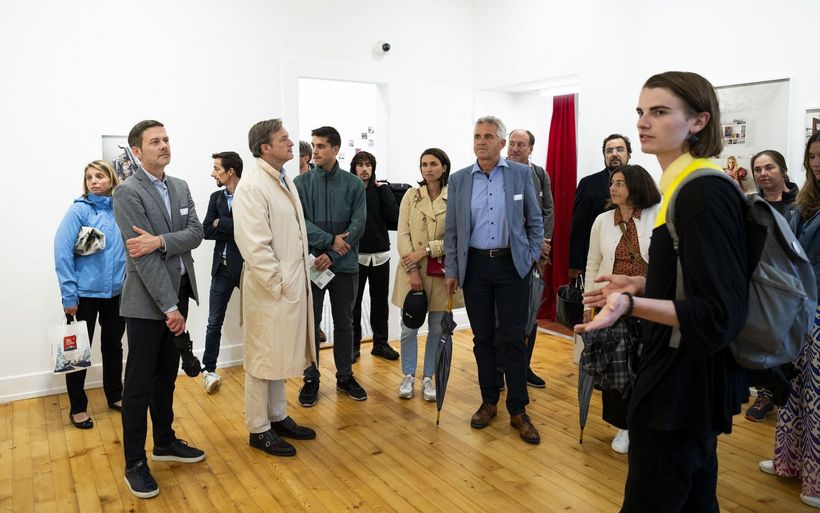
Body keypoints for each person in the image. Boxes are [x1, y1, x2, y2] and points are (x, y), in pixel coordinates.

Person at [577, 71, 749, 512]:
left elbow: (716, 313)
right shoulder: (684, 183)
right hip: (682, 375)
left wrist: (631, 303)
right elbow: (690, 281)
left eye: (659, 112)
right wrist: (637, 283)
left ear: (698, 122)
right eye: (640, 111)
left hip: (682, 381)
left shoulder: (701, 192)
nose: (642, 122)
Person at [113, 120, 206, 499]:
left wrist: (162, 240)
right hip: (148, 303)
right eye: (155, 142)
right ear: (137, 151)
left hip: (180, 292)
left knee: (166, 377)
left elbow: (198, 233)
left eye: (166, 139)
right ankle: (134, 462)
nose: (164, 146)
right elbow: (141, 258)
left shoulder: (180, 186)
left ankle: (164, 441)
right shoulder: (127, 193)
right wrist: (169, 307)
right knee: (137, 386)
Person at [444, 116, 544, 444]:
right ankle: (489, 401)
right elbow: (453, 230)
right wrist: (452, 270)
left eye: (488, 136)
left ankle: (518, 409)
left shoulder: (519, 174)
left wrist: (529, 257)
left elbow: (535, 219)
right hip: (475, 268)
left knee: (513, 338)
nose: (481, 141)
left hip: (511, 266)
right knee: (483, 338)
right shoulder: (459, 180)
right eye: (477, 136)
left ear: (502, 143)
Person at [233, 118, 318, 457]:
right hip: (271, 289)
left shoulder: (282, 178)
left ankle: (278, 416)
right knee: (261, 359)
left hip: (289, 285)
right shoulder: (253, 185)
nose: (291, 142)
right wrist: (279, 284)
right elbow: (254, 245)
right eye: (283, 138)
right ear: (265, 147)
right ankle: (258, 428)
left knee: (279, 355)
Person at [758, 131, 820, 509]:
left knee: (816, 399)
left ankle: (816, 480)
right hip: (803, 310)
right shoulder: (807, 202)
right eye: (812, 156)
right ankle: (790, 462)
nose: (816, 162)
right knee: (798, 392)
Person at [583, 164, 661, 454]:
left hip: (649, 304)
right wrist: (588, 303)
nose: (613, 188)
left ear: (637, 187)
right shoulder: (603, 220)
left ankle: (648, 422)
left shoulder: (656, 214)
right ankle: (624, 426)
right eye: (612, 183)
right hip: (611, 306)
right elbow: (593, 262)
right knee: (617, 369)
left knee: (648, 367)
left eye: (620, 183)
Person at [293, 126, 367, 406]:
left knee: (345, 322)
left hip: (344, 265)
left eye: (322, 145)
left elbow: (357, 226)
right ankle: (310, 378)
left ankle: (345, 376)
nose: (316, 150)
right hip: (313, 263)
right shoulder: (301, 184)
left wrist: (333, 256)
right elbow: (300, 224)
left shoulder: (353, 184)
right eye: (314, 145)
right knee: (310, 323)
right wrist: (327, 244)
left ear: (335, 149)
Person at [54, 160, 126, 429]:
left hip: (117, 293)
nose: (94, 181)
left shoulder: (121, 210)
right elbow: (62, 253)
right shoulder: (78, 210)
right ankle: (78, 407)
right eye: (89, 177)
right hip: (84, 295)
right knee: (78, 353)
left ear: (111, 180)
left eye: (100, 176)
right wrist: (69, 295)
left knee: (113, 346)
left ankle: (115, 395)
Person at [392, 148, 464, 401]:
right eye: (424, 164)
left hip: (442, 274)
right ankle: (408, 374)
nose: (428, 169)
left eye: (434, 164)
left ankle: (429, 378)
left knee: (436, 329)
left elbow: (457, 237)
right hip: (411, 272)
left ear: (444, 167)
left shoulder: (454, 197)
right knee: (408, 328)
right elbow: (402, 235)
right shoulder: (411, 196)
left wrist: (426, 250)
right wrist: (412, 269)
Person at [744, 149, 798, 421]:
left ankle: (791, 399)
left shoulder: (800, 203)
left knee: (792, 343)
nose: (763, 174)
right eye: (758, 169)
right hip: (761, 286)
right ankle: (766, 395)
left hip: (792, 286)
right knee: (765, 342)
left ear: (783, 170)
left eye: (769, 168)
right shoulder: (751, 206)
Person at [507, 128, 553, 388]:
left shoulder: (539, 174)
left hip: (535, 257)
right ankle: (501, 366)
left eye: (520, 145)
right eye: (511, 144)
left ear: (530, 149)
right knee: (502, 315)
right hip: (506, 255)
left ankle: (524, 367)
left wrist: (542, 245)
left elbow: (548, 209)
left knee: (530, 313)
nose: (514, 149)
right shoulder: (498, 172)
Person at [350, 151, 400, 362]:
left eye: (368, 164)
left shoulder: (381, 189)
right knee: (353, 304)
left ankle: (380, 343)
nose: (365, 168)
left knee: (380, 303)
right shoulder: (350, 190)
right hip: (356, 256)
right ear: (354, 168)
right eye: (360, 165)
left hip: (380, 255)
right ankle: (353, 346)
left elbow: (394, 219)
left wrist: (385, 191)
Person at [201, 151, 243, 394]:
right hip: (222, 269)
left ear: (230, 172)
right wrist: (228, 225)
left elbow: (249, 228)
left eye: (216, 168)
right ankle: (209, 370)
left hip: (246, 268)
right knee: (213, 321)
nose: (212, 173)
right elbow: (206, 230)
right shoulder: (216, 197)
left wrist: (221, 223)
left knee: (256, 319)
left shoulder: (249, 195)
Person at [568, 134, 631, 279]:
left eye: (620, 149)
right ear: (604, 156)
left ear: (629, 154)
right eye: (609, 151)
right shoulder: (588, 184)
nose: (614, 154)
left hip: (631, 260)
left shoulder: (640, 183)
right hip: (598, 260)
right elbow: (578, 226)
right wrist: (575, 263)